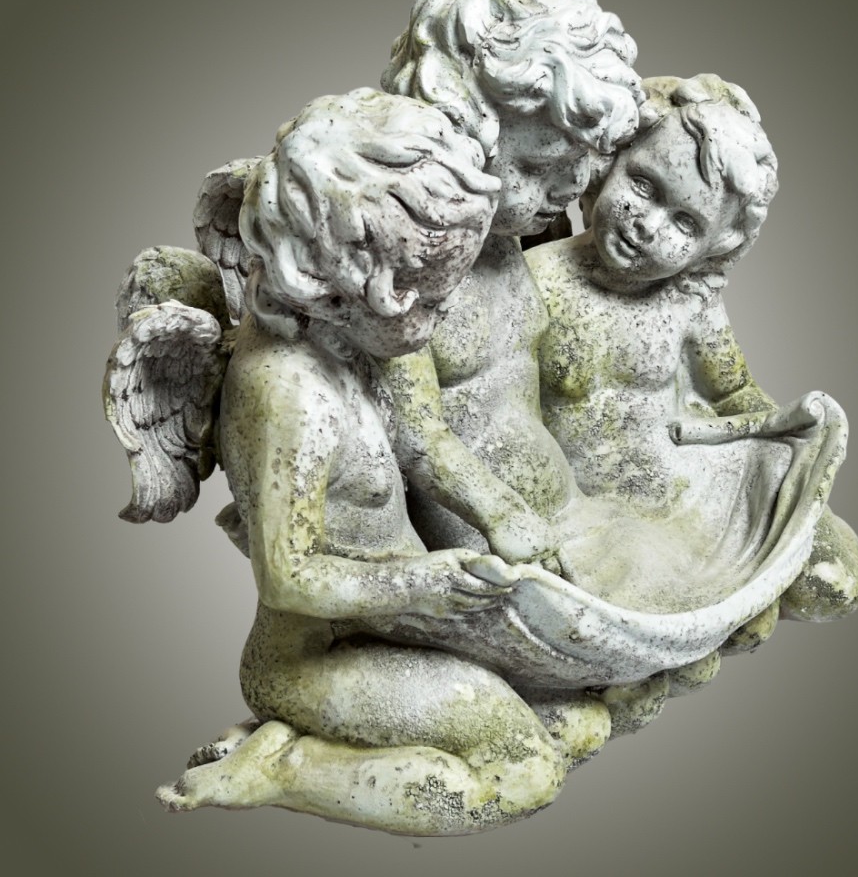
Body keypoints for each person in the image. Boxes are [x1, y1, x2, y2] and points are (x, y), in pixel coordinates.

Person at [155, 88, 612, 835]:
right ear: (344, 280)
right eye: (427, 300)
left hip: (403, 623)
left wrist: (506, 517)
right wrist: (423, 584)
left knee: (586, 722)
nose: (440, 317)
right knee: (525, 773)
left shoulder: (363, 331)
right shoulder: (287, 394)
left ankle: (314, 745)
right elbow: (287, 576)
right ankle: (283, 766)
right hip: (318, 653)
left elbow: (422, 441)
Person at [525, 74, 858, 625]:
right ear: (609, 162)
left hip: (690, 484)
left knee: (834, 575)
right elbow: (503, 422)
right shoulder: (534, 283)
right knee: (656, 611)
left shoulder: (688, 301)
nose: (647, 225)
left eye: (686, 223)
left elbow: (730, 393)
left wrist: (784, 425)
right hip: (592, 512)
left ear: (714, 246)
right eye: (643, 185)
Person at [379, 0, 645, 566]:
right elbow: (416, 436)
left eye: (582, 162)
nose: (572, 187)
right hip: (491, 552)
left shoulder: (511, 235)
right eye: (538, 167)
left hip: (567, 514)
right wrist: (503, 519)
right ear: (459, 133)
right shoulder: (405, 273)